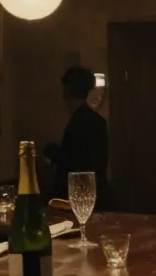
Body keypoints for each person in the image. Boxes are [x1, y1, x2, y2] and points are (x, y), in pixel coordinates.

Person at [46, 66, 109, 198]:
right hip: (90, 191)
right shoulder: (96, 121)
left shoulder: (81, 121)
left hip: (77, 193)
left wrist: (54, 152)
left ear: (67, 89)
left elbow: (76, 160)